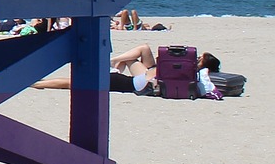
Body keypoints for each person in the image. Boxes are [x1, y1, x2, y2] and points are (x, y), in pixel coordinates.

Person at [33, 43, 222, 94]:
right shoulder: (191, 73)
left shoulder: (192, 73)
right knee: (144, 48)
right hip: (146, 76)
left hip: (137, 83)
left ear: (204, 65)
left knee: (74, 83)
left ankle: (37, 84)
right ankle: (115, 62)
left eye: (199, 59)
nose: (196, 59)